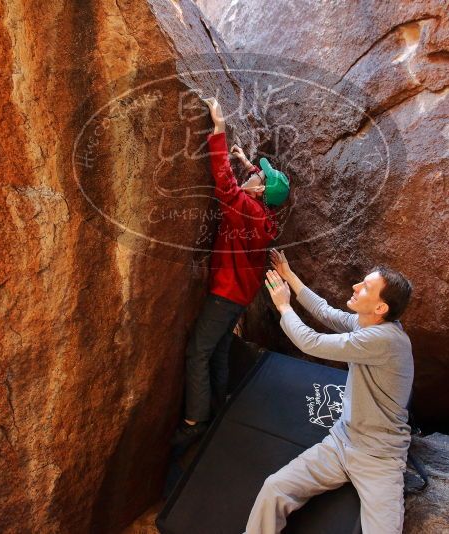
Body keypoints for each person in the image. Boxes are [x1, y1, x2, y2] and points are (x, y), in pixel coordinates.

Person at [246, 250, 414, 534]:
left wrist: (284, 306)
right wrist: (289, 275)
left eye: (366, 288)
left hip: (379, 457)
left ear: (380, 308)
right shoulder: (367, 323)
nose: (355, 287)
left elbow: (310, 342)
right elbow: (325, 312)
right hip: (341, 442)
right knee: (274, 488)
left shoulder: (384, 340)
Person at [172, 97, 290, 446]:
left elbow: (223, 181)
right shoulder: (264, 212)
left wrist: (219, 129)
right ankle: (219, 405)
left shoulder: (245, 210)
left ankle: (195, 422)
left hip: (225, 294)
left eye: (259, 177)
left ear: (261, 191)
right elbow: (255, 181)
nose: (254, 176)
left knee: (198, 352)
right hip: (240, 295)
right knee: (220, 350)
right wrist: (247, 162)